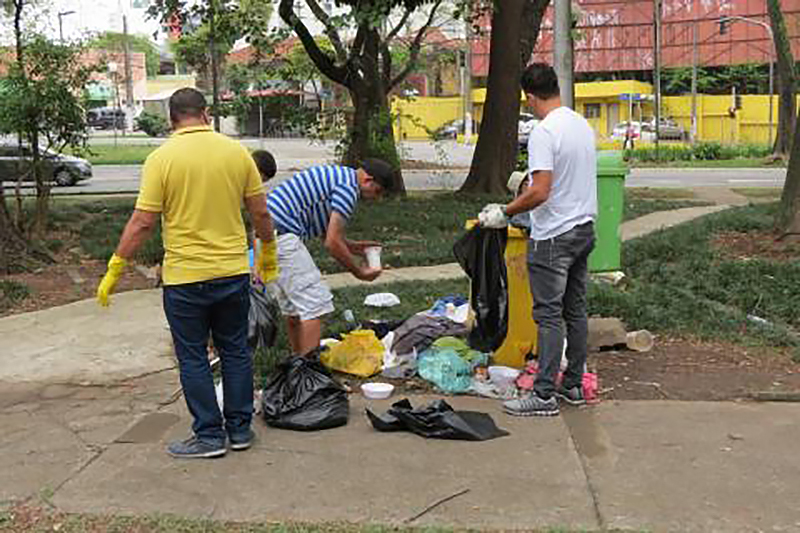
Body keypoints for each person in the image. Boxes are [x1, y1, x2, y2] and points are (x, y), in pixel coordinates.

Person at [95, 88, 279, 458]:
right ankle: (240, 431)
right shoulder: (237, 153)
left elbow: (143, 221)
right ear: (206, 114)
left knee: (193, 356)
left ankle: (210, 437)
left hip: (185, 279)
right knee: (236, 352)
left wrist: (115, 267)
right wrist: (268, 253)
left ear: (171, 118)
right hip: (231, 273)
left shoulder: (161, 159)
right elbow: (260, 213)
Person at [478, 63, 597, 417]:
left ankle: (543, 394)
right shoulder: (581, 124)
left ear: (529, 97)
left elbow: (540, 191)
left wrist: (506, 210)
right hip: (583, 229)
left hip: (554, 237)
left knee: (548, 316)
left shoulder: (545, 132)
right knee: (575, 311)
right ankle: (573, 385)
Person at [267, 159, 393, 356]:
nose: (375, 198)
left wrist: (354, 247)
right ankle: (308, 373)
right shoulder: (349, 190)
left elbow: (327, 233)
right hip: (283, 236)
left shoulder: (340, 177)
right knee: (314, 305)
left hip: (266, 236)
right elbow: (332, 243)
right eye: (377, 191)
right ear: (368, 179)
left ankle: (297, 361)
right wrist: (360, 272)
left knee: (294, 308)